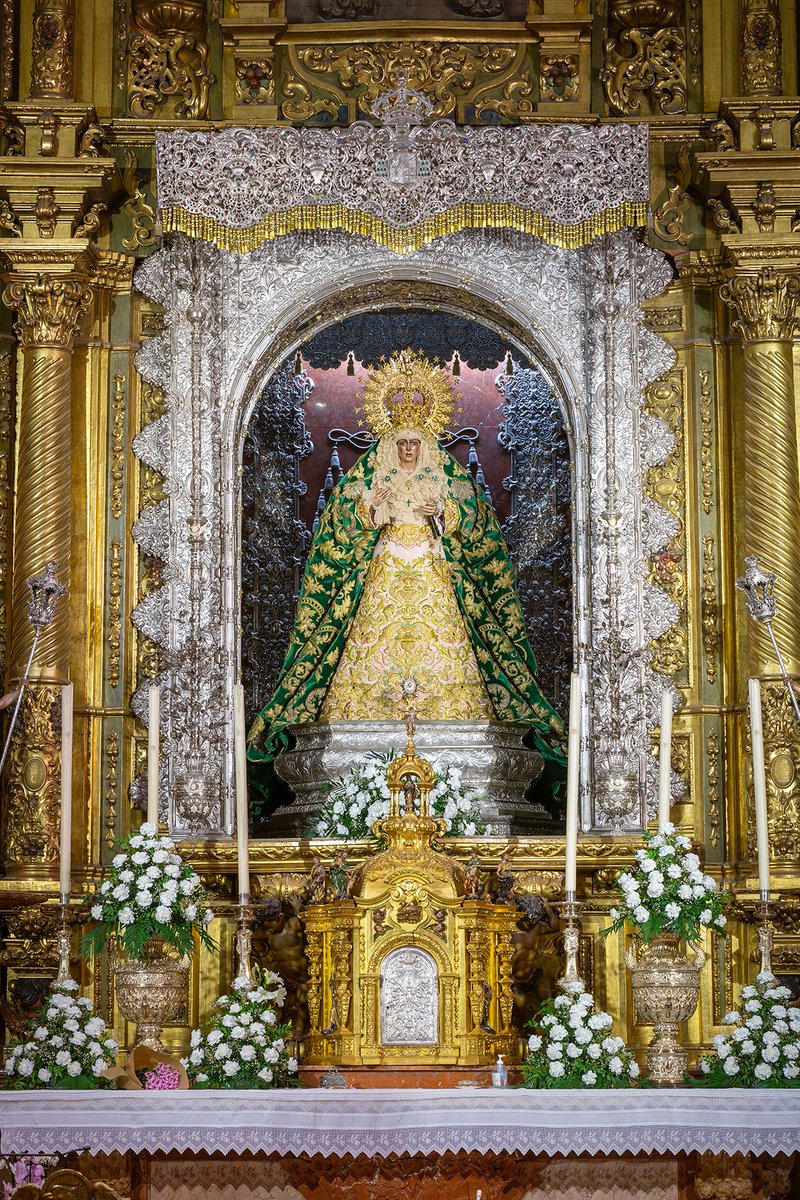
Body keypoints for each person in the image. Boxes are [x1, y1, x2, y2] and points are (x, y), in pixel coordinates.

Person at [248, 352, 566, 810]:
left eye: (416, 442)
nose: (409, 449)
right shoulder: (370, 478)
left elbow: (476, 522)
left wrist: (446, 513)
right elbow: (339, 525)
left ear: (426, 443)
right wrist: (370, 511)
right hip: (385, 571)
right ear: (391, 442)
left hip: (433, 572)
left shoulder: (447, 477)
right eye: (402, 442)